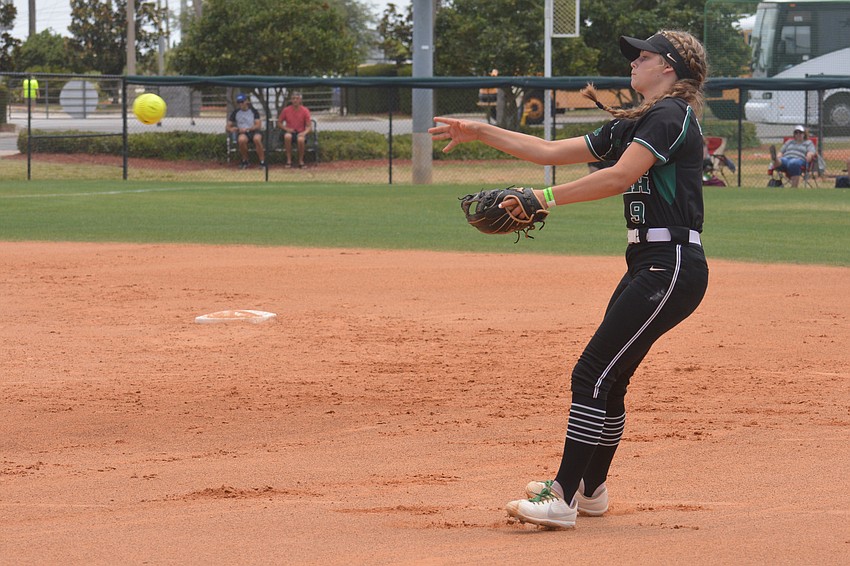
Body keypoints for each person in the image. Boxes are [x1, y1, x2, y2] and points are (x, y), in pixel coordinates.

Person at [429, 30, 709, 530]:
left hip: (670, 265)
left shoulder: (671, 116)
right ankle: (591, 489)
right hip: (649, 263)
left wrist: (545, 200)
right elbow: (548, 151)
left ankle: (562, 498)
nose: (633, 64)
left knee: (591, 372)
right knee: (611, 377)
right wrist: (481, 131)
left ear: (667, 68)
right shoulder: (640, 120)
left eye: (642, 56)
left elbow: (619, 177)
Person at [227, 93, 266, 169]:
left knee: (257, 139)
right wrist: (233, 129)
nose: (241, 104)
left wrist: (248, 129)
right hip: (242, 133)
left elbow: (258, 125)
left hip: (254, 131)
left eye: (242, 101)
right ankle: (245, 160)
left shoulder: (253, 111)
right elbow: (228, 126)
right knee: (241, 140)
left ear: (246, 101)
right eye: (239, 102)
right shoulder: (236, 112)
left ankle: (262, 162)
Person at [277, 91, 313, 168]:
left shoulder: (305, 110)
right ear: (291, 100)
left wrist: (304, 133)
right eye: (293, 98)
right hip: (290, 131)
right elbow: (279, 123)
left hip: (300, 132)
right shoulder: (286, 110)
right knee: (287, 136)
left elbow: (309, 127)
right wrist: (287, 129)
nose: (295, 100)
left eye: (297, 98)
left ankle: (300, 161)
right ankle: (289, 160)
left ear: (300, 100)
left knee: (300, 140)